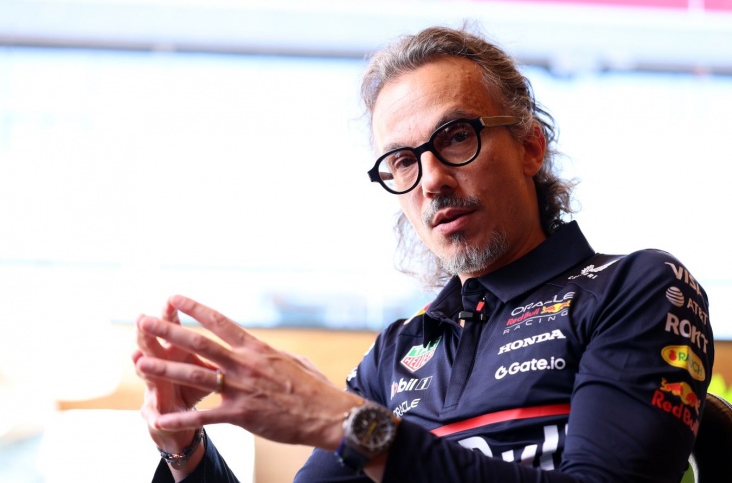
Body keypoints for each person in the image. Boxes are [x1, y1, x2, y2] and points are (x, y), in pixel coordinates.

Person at [133, 26, 714, 482]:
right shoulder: (397, 351)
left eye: (457, 137)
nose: (431, 180)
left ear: (530, 146)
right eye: (403, 161)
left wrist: (349, 424)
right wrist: (184, 448)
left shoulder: (637, 285)